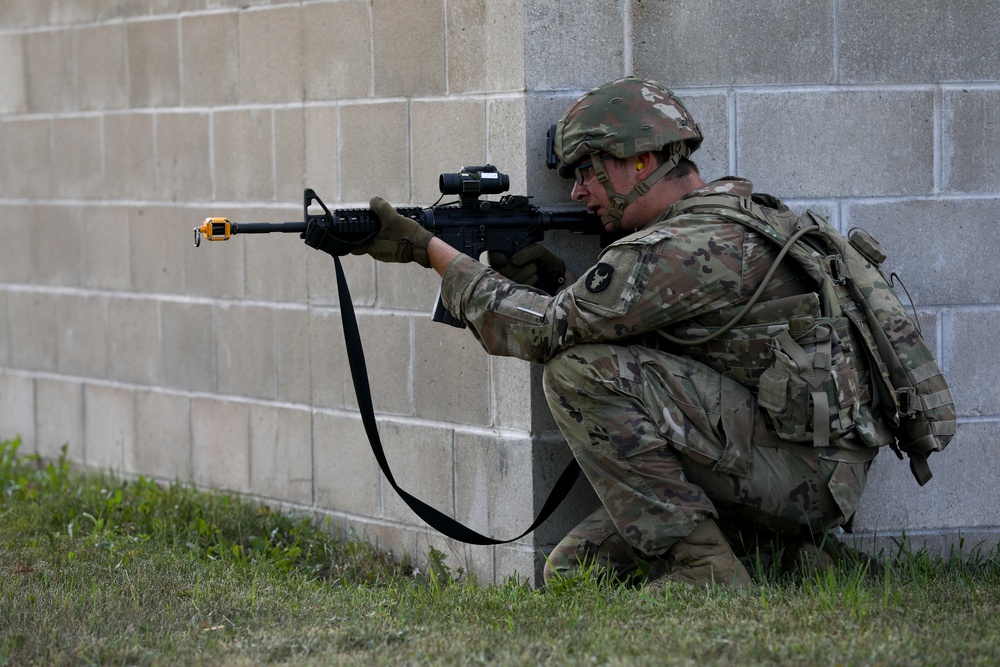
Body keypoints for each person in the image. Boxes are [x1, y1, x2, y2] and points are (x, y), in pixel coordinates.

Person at [353, 76, 888, 589]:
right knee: (576, 570)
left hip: (795, 477)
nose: (580, 192)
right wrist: (561, 283)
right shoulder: (735, 219)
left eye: (587, 171)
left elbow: (548, 334)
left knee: (577, 374)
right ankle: (794, 555)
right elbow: (653, 339)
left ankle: (706, 573)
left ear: (642, 159)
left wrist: (430, 251)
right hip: (803, 470)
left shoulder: (682, 247)